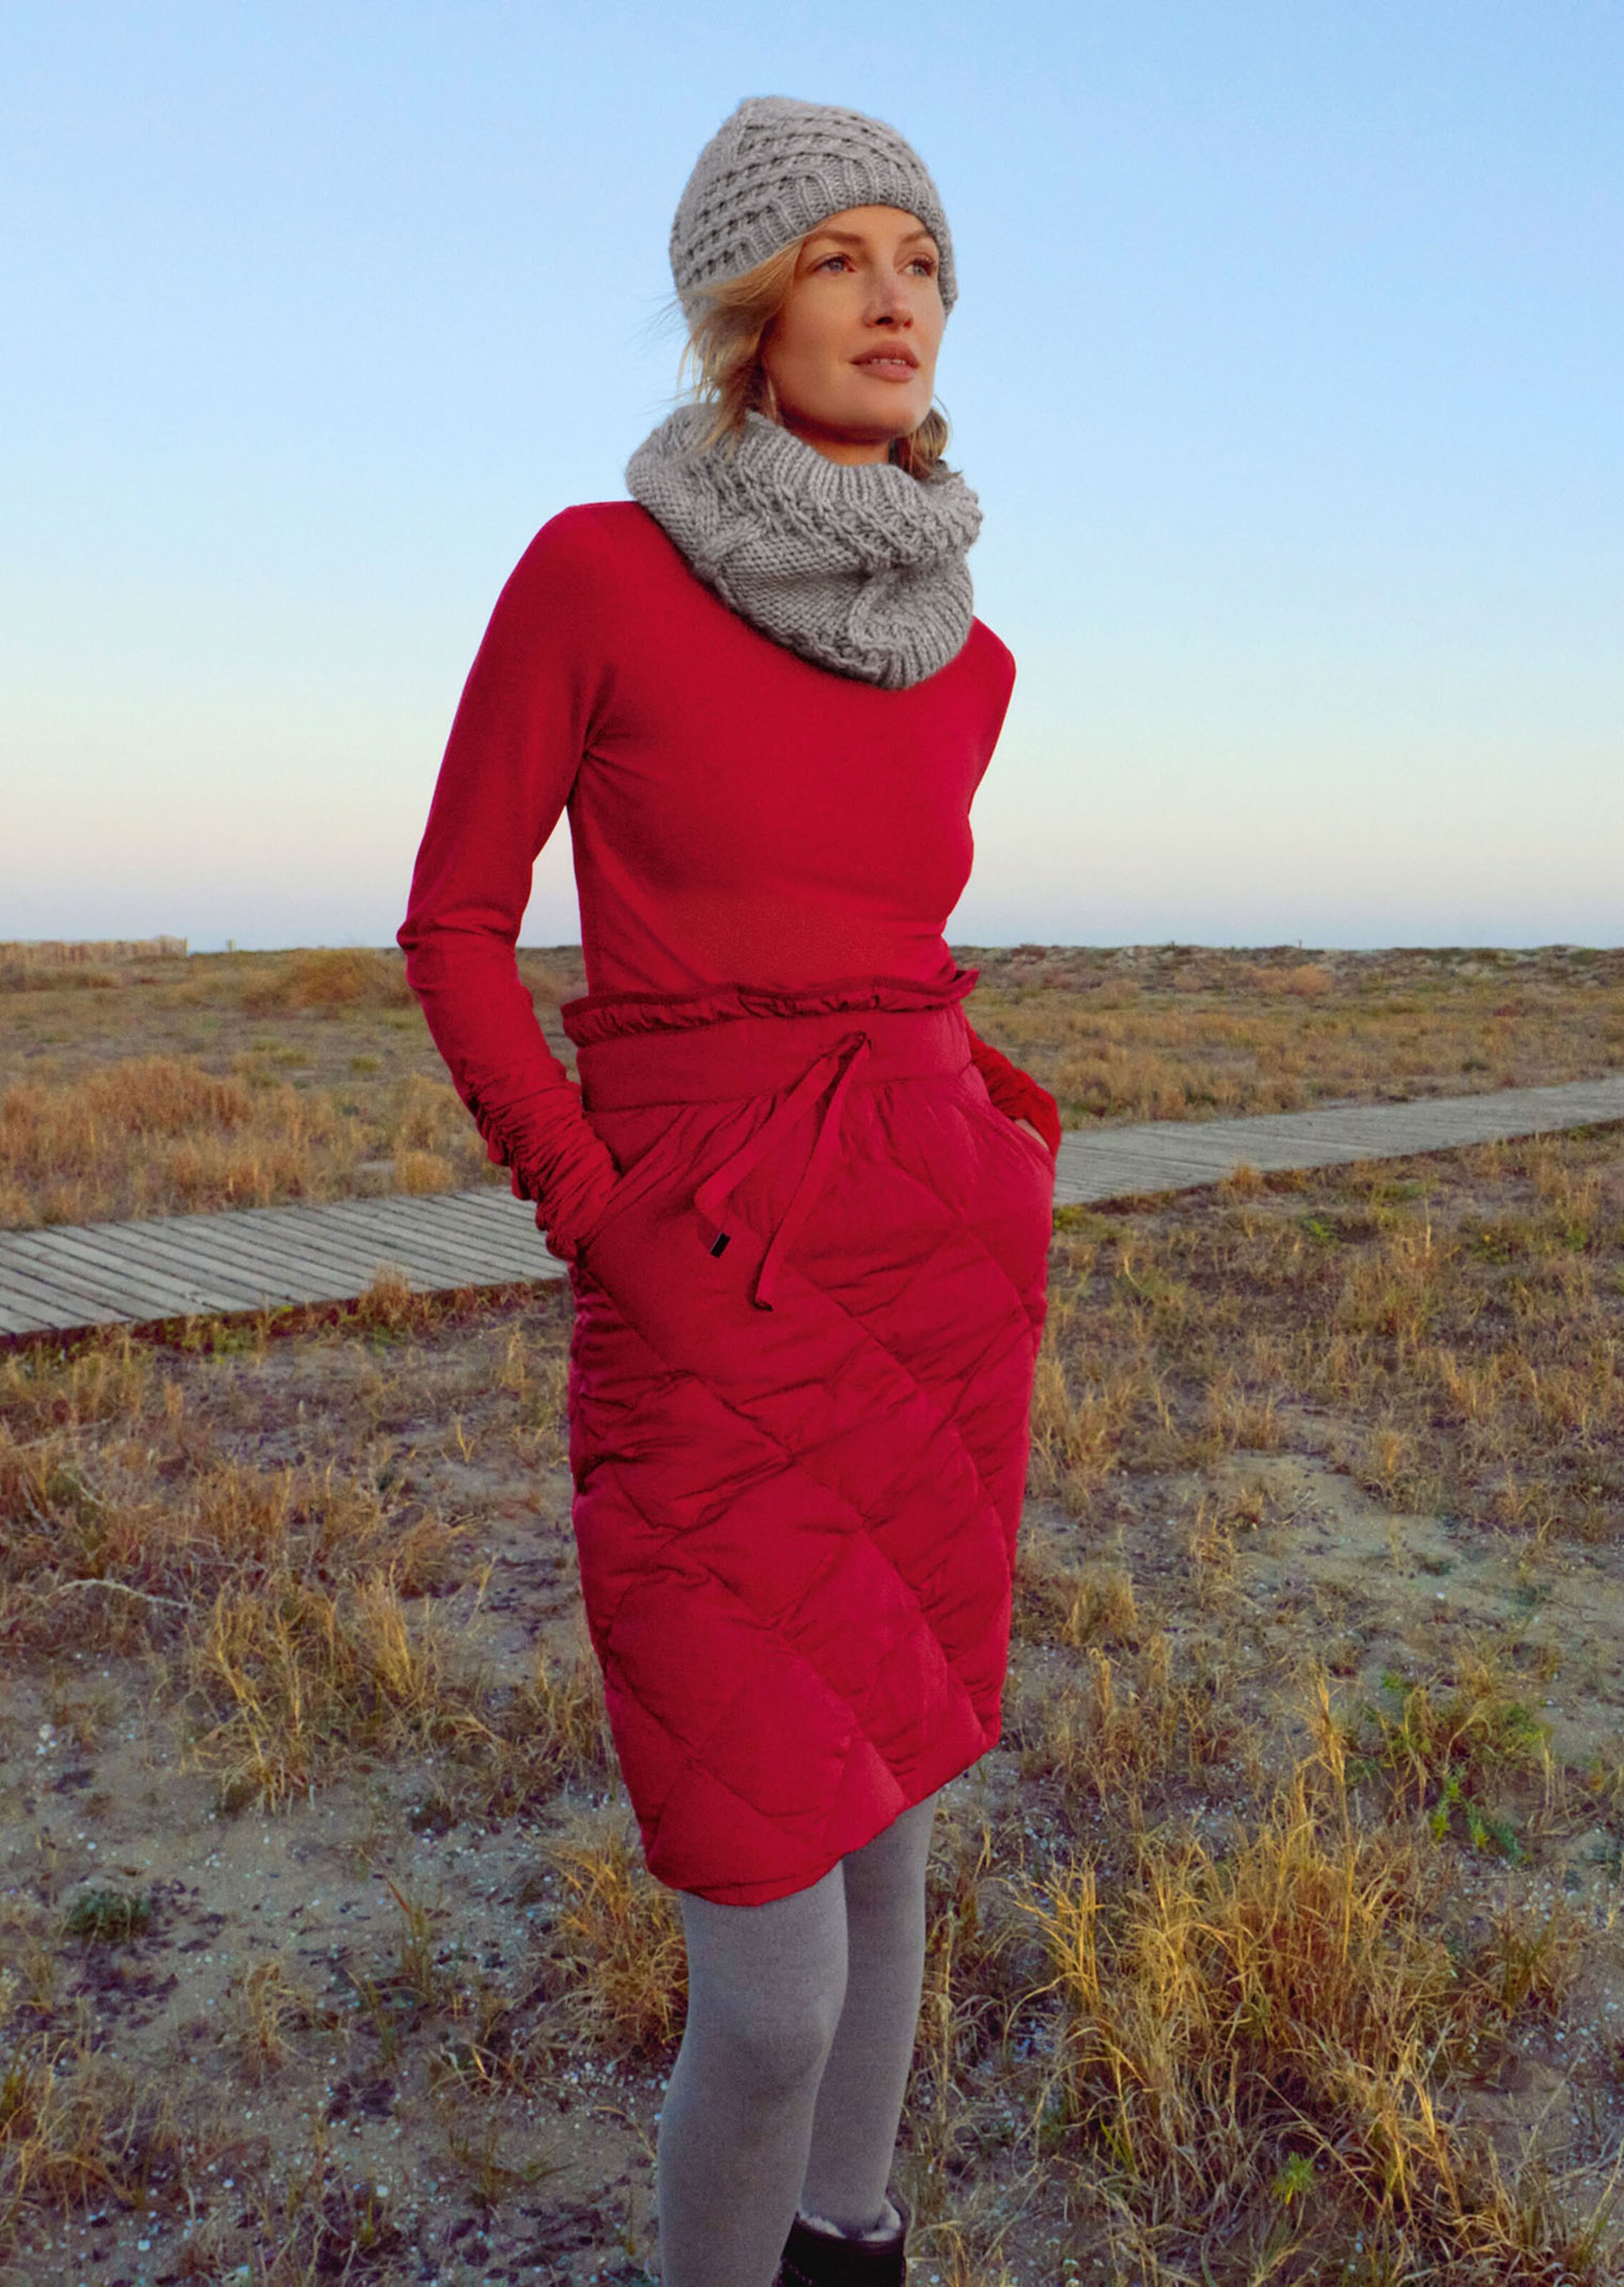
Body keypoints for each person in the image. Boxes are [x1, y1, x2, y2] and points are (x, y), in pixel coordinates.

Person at [399, 94, 1060, 2287]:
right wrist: (592, 1213)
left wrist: (985, 1150)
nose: (893, 295)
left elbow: (891, 949)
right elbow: (454, 927)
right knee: (767, 1988)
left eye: (922, 261)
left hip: (930, 1302)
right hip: (707, 1290)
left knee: (891, 1837)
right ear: (745, 306)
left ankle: (855, 2246)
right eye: (841, 254)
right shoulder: (597, 572)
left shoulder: (971, 661)